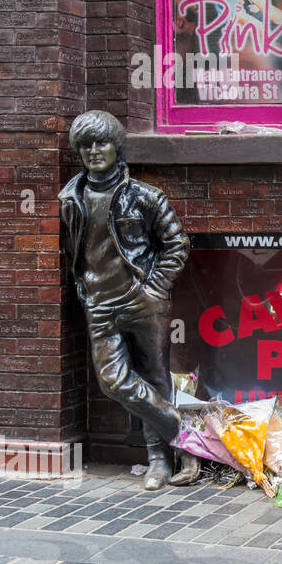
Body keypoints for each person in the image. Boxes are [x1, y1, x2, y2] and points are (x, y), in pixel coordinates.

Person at [59, 111, 198, 490]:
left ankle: (159, 463)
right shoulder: (70, 199)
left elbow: (177, 245)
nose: (93, 151)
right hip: (100, 305)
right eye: (85, 145)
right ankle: (189, 438)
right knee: (113, 381)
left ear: (117, 147)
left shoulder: (145, 196)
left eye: (101, 143)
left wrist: (153, 289)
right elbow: (73, 252)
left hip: (143, 301)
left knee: (154, 377)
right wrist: (84, 291)